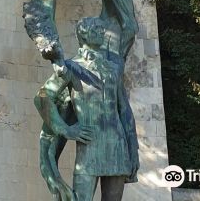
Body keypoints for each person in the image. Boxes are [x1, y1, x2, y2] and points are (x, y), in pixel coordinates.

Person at [35, 17, 139, 201]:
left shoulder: (113, 69)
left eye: (101, 29)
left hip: (118, 148)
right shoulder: (71, 67)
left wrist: (133, 150)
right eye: (96, 29)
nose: (101, 32)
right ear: (83, 35)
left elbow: (125, 111)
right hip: (89, 149)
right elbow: (42, 98)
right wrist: (64, 129)